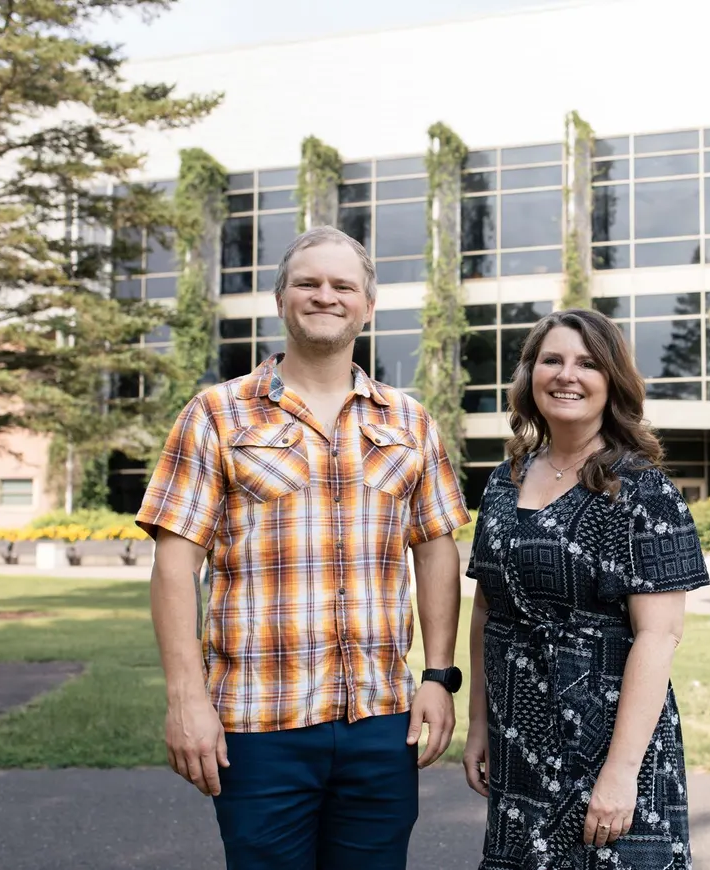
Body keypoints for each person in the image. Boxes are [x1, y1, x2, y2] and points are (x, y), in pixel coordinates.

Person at [136, 226, 469, 869]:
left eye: (344, 285)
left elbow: (436, 549)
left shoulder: (409, 421)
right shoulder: (215, 414)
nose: (326, 296)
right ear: (280, 298)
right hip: (259, 724)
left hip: (382, 720)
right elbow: (175, 564)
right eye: (308, 283)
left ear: (368, 307)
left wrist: (437, 676)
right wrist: (185, 697)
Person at [462, 307, 709, 869]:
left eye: (587, 363)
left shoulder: (644, 490)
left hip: (607, 741)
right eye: (552, 360)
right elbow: (485, 610)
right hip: (518, 734)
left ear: (612, 382)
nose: (566, 375)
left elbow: (660, 635)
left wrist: (621, 774)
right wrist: (479, 724)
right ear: (530, 375)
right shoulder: (505, 480)